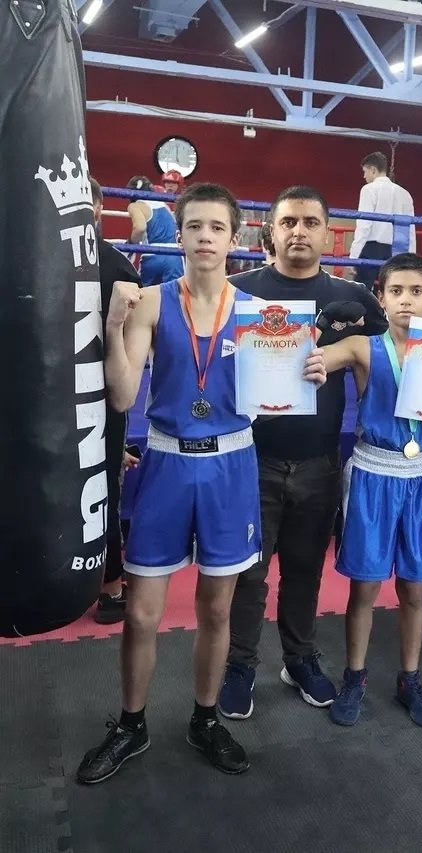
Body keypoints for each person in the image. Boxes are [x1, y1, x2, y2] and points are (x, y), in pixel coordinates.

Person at [76, 182, 327, 784]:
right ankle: (131, 725)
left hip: (232, 466)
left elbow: (280, 395)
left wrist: (307, 369)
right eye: (195, 226)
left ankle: (205, 718)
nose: (206, 237)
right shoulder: (153, 302)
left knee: (217, 609)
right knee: (141, 614)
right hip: (166, 462)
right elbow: (123, 396)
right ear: (180, 235)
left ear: (235, 238)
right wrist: (113, 325)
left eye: (217, 227)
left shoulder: (259, 313)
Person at [219, 186, 387, 720]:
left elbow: (395, 354)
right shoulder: (237, 290)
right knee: (249, 573)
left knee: (305, 569)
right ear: (271, 230)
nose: (299, 231)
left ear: (326, 232)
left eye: (310, 222)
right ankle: (240, 664)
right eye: (288, 221)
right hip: (252, 459)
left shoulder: (354, 297)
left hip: (319, 461)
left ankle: (299, 659)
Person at [321, 253, 422, 728]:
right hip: (374, 474)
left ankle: (409, 679)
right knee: (365, 588)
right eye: (396, 291)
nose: (406, 301)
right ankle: (355, 677)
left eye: (416, 292)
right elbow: (310, 360)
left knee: (415, 589)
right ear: (381, 297)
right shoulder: (362, 347)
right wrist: (322, 327)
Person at [90, 177, 143, 624]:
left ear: (98, 207)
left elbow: (128, 358)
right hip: (42, 399)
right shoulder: (29, 260)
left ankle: (111, 584)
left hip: (103, 399)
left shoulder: (118, 269)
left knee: (103, 487)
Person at [349, 151, 415, 289]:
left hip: (372, 248)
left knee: (360, 291)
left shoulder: (369, 189)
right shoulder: (405, 194)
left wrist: (354, 258)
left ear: (373, 170)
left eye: (365, 171)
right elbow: (410, 230)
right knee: (392, 292)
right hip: (397, 251)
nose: (364, 176)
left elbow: (364, 225)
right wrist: (410, 259)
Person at [126, 175, 185, 286]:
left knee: (145, 294)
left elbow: (139, 228)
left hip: (152, 255)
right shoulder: (164, 205)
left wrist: (130, 245)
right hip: (174, 255)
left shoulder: (135, 205)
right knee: (176, 294)